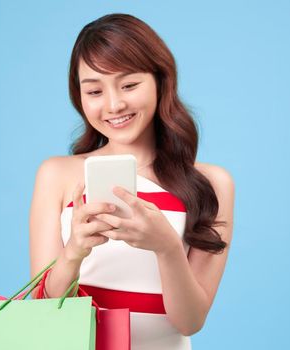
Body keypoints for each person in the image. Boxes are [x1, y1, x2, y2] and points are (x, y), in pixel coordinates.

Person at [29, 13, 234, 350]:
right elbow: (44, 308)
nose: (114, 104)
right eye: (94, 90)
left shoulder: (212, 184)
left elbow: (191, 321)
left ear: (160, 81)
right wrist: (75, 252)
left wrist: (166, 246)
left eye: (129, 85)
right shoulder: (57, 174)